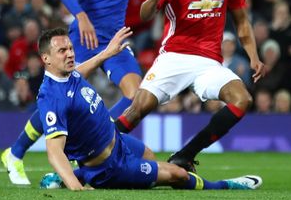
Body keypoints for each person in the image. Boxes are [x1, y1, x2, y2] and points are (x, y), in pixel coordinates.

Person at [1, 0, 144, 185]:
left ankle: (106, 136)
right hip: (85, 36)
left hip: (114, 41)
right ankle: (15, 154)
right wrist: (80, 15)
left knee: (138, 96)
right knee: (58, 97)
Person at [113, 0, 265, 173]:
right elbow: (145, 14)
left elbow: (242, 22)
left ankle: (184, 156)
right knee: (139, 108)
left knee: (241, 99)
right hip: (174, 55)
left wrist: (253, 56)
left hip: (209, 62)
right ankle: (93, 151)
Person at [37, 26, 261, 191]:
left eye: (70, 48)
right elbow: (54, 150)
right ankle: (225, 186)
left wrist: (108, 52)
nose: (70, 54)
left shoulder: (68, 75)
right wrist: (77, 188)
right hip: (109, 166)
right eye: (62, 51)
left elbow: (80, 71)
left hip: (119, 142)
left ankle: (75, 175)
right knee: (179, 174)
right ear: (46, 58)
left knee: (149, 156)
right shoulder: (52, 98)